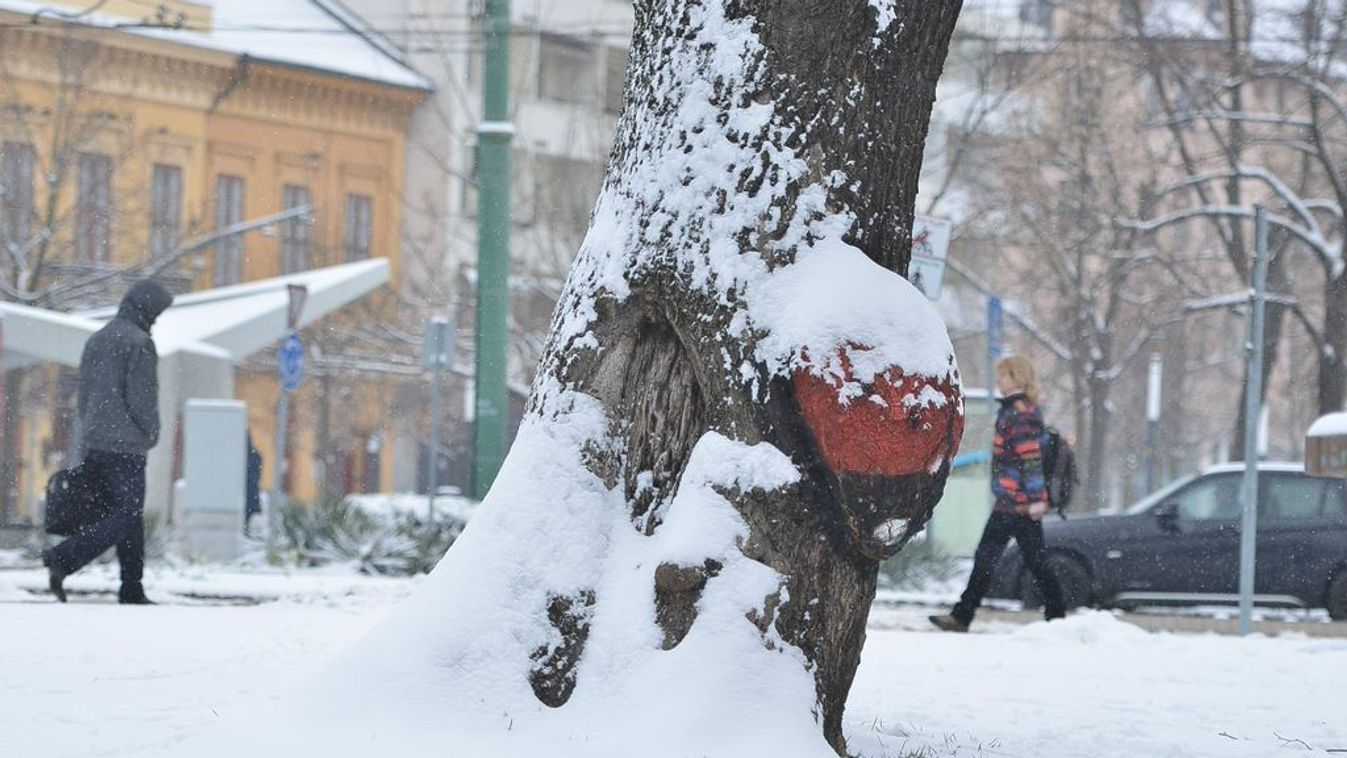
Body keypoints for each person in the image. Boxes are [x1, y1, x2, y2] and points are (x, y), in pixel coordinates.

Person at [43, 279, 173, 605]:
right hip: (127, 446)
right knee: (127, 516)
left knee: (125, 516)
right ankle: (64, 558)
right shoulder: (140, 343)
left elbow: (84, 394)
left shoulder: (97, 339)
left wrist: (92, 428)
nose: (157, 319)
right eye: (157, 313)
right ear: (147, 309)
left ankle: (132, 587)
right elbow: (142, 398)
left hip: (97, 442)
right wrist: (151, 432)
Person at [930, 354, 1066, 632]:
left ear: (1017, 377)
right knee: (1005, 559)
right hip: (1010, 501)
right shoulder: (1012, 409)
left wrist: (1037, 498)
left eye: (1003, 375)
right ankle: (963, 615)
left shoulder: (1021, 412)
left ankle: (1057, 614)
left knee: (1021, 560)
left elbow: (1030, 459)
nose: (999, 380)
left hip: (1018, 504)